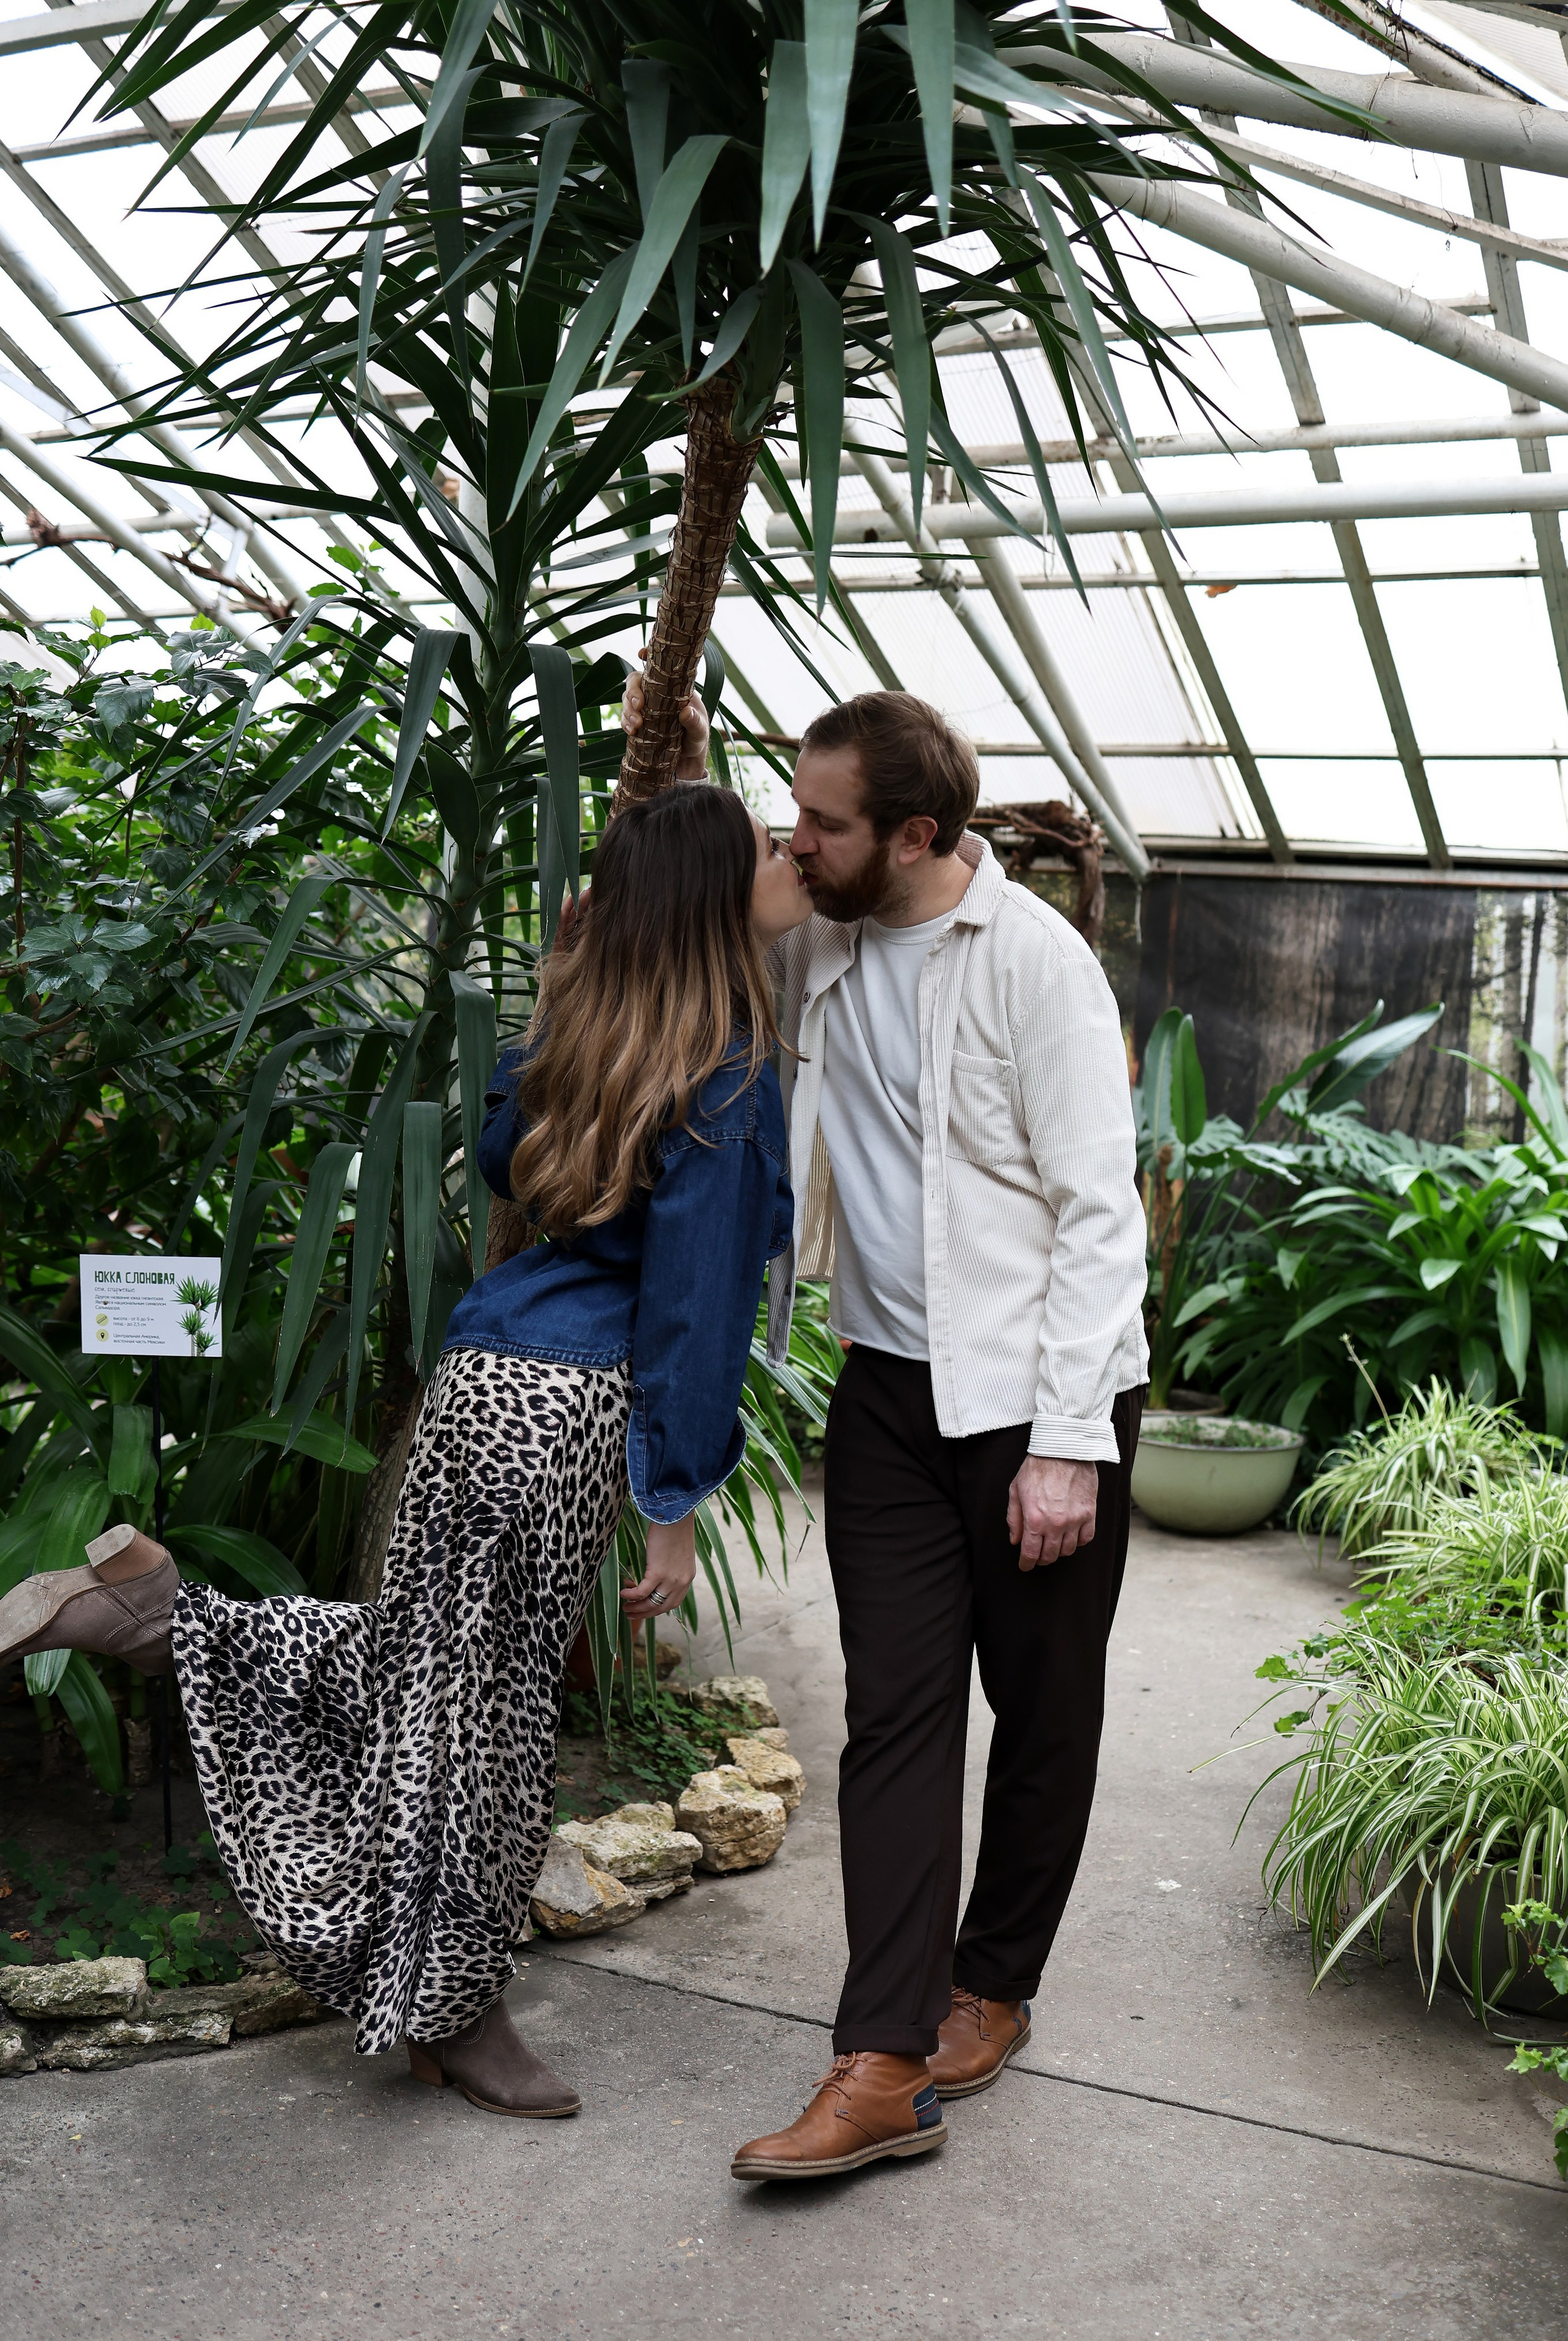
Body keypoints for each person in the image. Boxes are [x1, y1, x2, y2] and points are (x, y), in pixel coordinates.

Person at [0, 774, 810, 2122]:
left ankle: (153, 1612)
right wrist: (672, 1498)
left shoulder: (594, 1027)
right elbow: (696, 1310)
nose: (791, 862)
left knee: (422, 1660)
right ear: (721, 903)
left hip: (479, 1384)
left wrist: (563, 985)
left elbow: (502, 1162)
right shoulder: (721, 1072)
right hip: (563, 1416)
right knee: (481, 1717)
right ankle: (457, 2008)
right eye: (769, 851)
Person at [625, 676, 1149, 2182]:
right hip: (888, 1389)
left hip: (1039, 1397)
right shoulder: (824, 943)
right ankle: (880, 2058)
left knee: (1042, 1711)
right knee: (896, 1716)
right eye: (793, 812)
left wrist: (1066, 1442)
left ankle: (995, 1982)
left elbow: (1094, 1216)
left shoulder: (1035, 968)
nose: (798, 842)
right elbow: (685, 967)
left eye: (826, 823)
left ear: (916, 832)